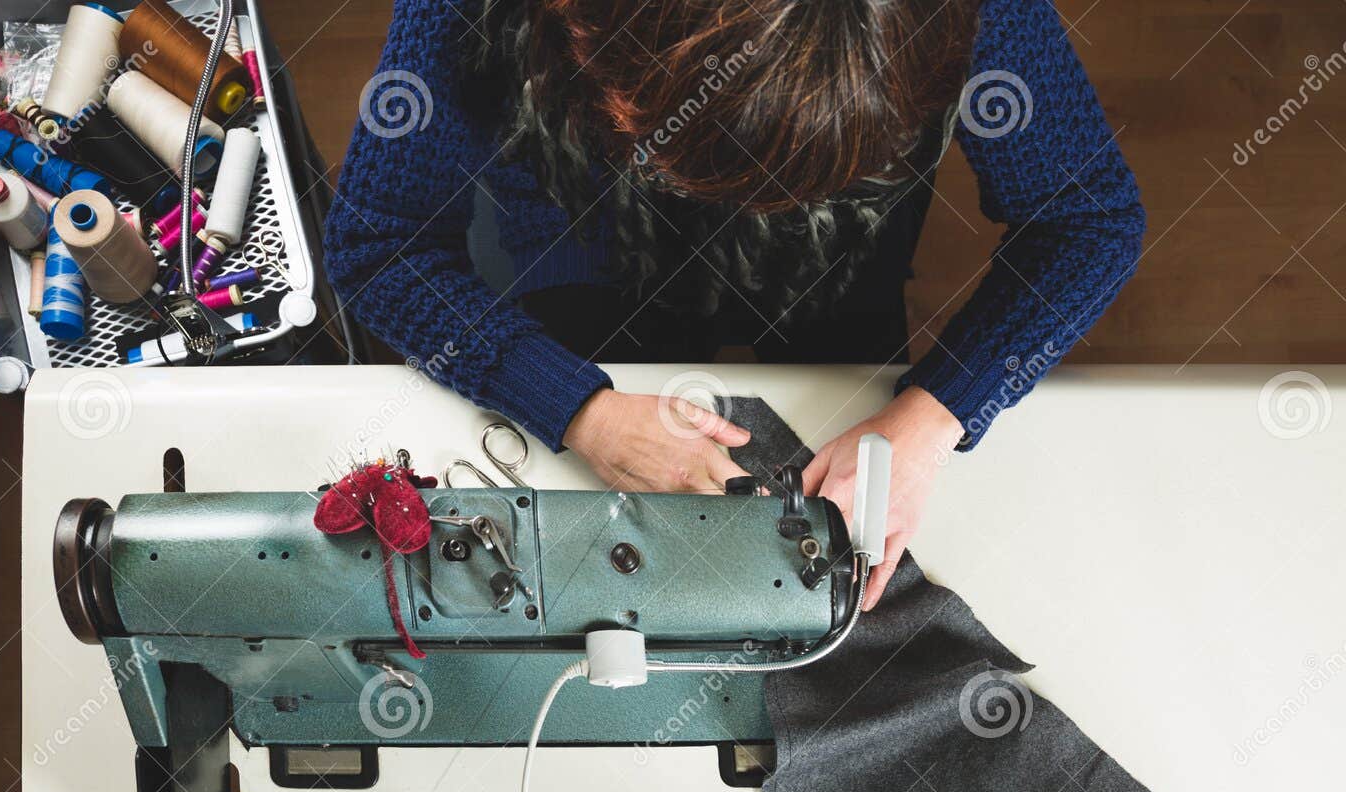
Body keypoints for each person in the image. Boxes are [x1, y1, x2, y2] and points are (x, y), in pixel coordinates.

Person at [325, 0, 1145, 606]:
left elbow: (1087, 219)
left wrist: (931, 417)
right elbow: (379, 245)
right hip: (574, 246)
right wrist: (578, 410)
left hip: (838, 269)